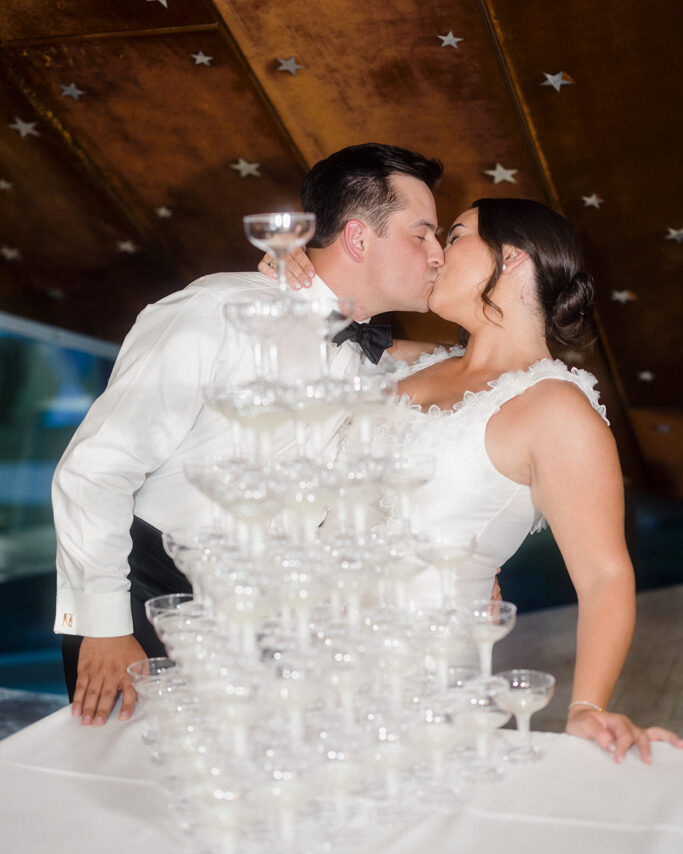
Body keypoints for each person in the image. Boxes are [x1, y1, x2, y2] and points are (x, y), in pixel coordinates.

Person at [262, 197, 683, 763]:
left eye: (453, 236)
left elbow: (606, 576)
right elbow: (318, 346)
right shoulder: (413, 363)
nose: (434, 254)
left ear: (511, 259)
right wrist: (295, 285)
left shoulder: (555, 409)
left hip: (411, 691)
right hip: (285, 660)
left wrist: (586, 707)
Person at [51, 143, 445, 727]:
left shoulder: (365, 352)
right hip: (148, 612)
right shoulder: (215, 312)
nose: (439, 255)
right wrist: (105, 627)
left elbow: (471, 366)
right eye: (423, 235)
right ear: (359, 238)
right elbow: (95, 469)